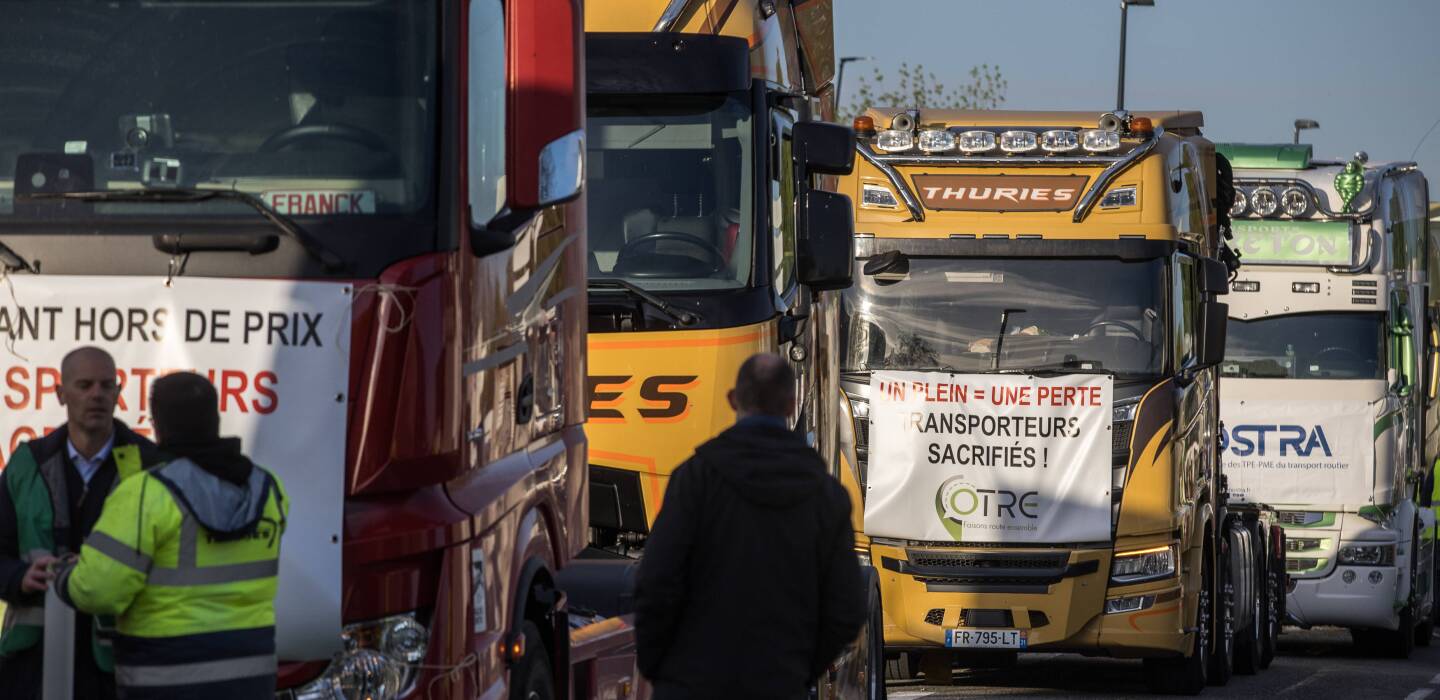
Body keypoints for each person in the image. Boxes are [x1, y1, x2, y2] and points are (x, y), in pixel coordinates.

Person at [634, 353, 866, 699]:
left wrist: (659, 667)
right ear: (791, 405)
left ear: (733, 400)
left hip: (691, 682)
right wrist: (799, 667)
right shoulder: (826, 496)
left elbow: (656, 582)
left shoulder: (695, 479)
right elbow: (846, 608)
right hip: (778, 683)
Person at [55, 372, 288, 699]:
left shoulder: (146, 493)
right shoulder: (268, 490)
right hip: (251, 679)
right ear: (215, 419)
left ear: (158, 426)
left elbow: (97, 591)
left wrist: (64, 574)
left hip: (167, 681)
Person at [0, 346, 160, 700]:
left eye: (106, 385)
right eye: (85, 385)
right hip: (31, 667)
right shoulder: (27, 464)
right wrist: (18, 578)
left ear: (119, 393)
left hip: (121, 665)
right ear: (60, 394)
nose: (97, 395)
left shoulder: (150, 465)